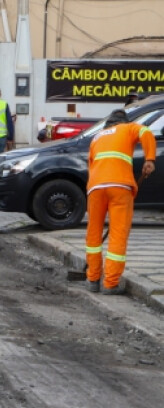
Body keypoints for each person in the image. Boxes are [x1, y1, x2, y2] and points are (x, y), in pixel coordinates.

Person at [84, 109, 156, 294]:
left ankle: (92, 279)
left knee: (93, 233)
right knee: (118, 234)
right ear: (123, 121)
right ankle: (110, 283)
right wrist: (149, 159)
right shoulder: (128, 128)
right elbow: (146, 132)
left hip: (95, 188)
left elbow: (90, 165)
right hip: (120, 187)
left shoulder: (97, 137)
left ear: (109, 123)